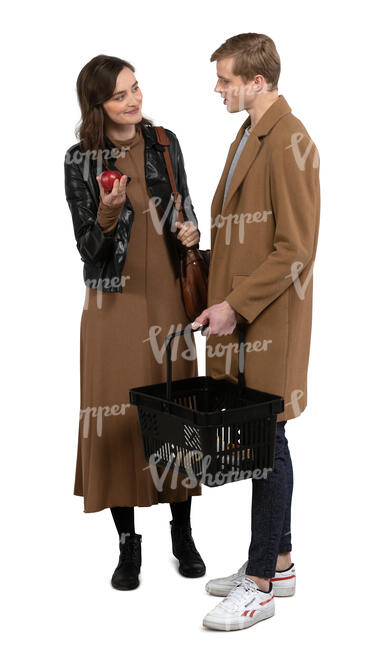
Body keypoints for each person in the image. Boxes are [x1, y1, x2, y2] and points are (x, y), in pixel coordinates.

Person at [192, 33, 320, 631]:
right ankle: (279, 560)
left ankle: (262, 583)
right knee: (265, 437)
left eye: (225, 79)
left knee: (267, 439)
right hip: (246, 319)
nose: (218, 88)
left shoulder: (290, 140)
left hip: (268, 321)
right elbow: (249, 235)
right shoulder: (247, 134)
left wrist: (235, 306)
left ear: (257, 81)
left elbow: (296, 249)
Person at [64, 54, 206, 591]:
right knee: (120, 414)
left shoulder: (165, 143)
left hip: (169, 298)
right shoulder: (81, 160)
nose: (134, 100)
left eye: (136, 87)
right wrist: (107, 210)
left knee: (177, 412)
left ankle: (183, 532)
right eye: (121, 94)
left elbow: (183, 211)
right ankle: (127, 544)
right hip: (113, 307)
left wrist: (189, 233)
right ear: (98, 105)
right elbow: (89, 249)